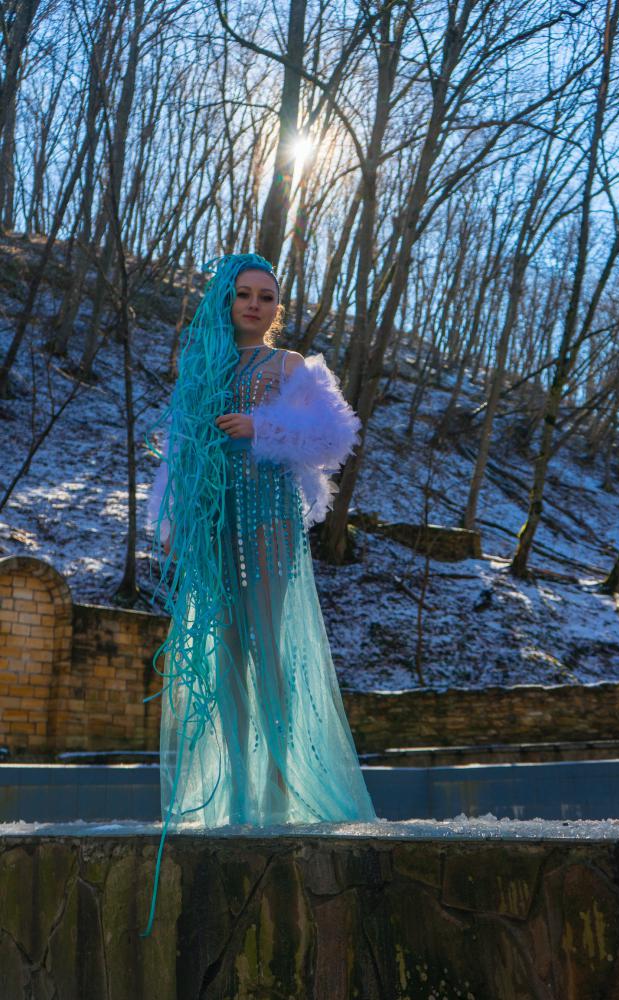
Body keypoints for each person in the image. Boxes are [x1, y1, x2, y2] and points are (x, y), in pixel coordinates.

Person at [140, 252, 377, 937]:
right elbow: (180, 449)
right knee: (222, 657)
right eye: (243, 294)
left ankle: (277, 794)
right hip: (214, 523)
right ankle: (237, 795)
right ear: (226, 300)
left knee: (269, 649)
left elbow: (334, 437)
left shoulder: (290, 365)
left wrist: (262, 428)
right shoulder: (203, 367)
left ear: (277, 306)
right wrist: (174, 523)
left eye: (266, 296)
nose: (254, 304)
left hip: (267, 520)